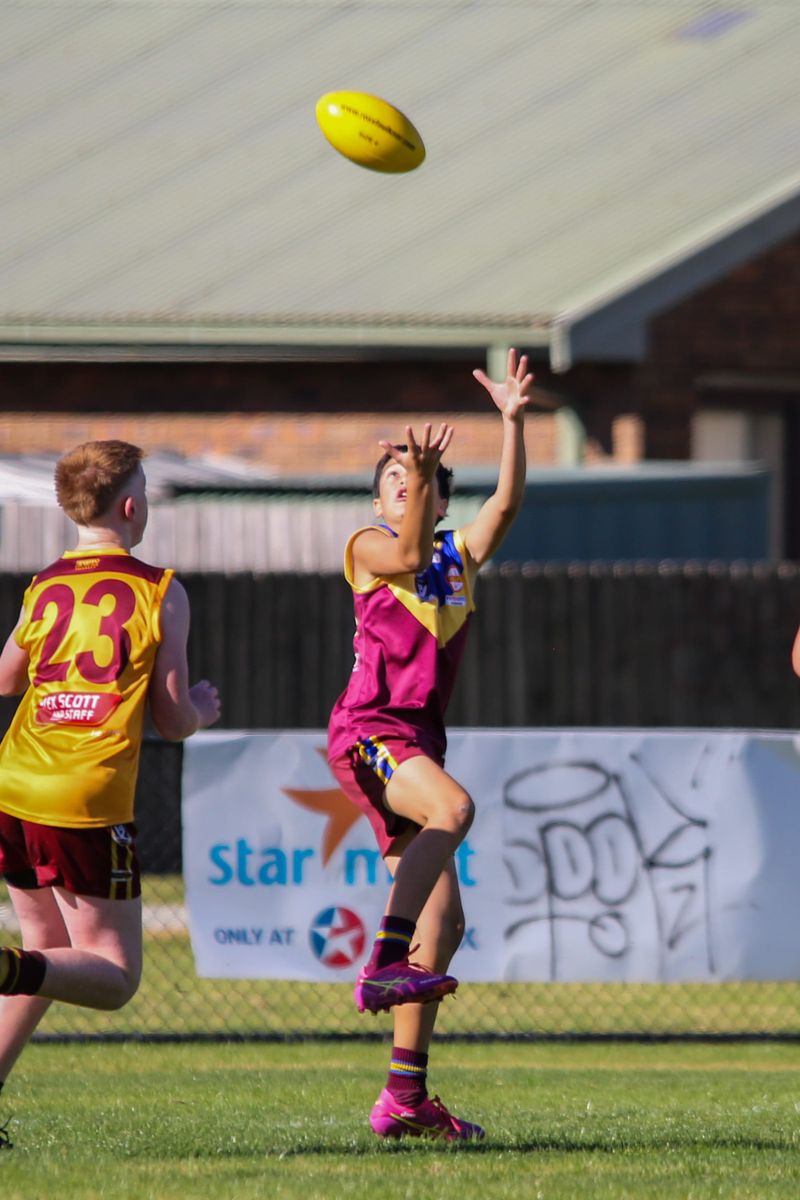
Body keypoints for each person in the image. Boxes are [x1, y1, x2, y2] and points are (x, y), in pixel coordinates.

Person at [328, 349, 534, 1141]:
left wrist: (511, 425)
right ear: (380, 500)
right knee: (456, 807)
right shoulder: (370, 549)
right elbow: (408, 552)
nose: (406, 486)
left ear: (444, 496)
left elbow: (506, 507)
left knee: (442, 925)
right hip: (370, 730)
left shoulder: (459, 558)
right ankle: (381, 956)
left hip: (415, 740)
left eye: (419, 481)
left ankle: (404, 1097)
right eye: (393, 482)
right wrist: (411, 476)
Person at [0, 441, 220, 1144]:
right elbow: (172, 717)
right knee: (116, 977)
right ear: (131, 506)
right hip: (85, 799)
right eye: (147, 490)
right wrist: (203, 712)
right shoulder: (160, 589)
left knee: (46, 951)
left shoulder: (45, 584)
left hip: (13, 782)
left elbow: (6, 677)